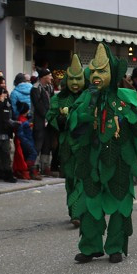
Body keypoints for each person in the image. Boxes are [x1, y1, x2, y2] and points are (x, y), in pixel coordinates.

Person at [67, 43, 137, 264]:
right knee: (89, 205)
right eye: (94, 71)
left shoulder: (126, 97)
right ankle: (90, 247)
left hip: (119, 160)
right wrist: (89, 109)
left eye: (102, 71)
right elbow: (74, 128)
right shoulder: (86, 98)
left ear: (112, 72)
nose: (97, 76)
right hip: (92, 161)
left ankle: (115, 246)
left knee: (119, 204)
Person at [50, 55, 86, 226]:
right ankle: (73, 210)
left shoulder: (88, 97)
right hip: (67, 146)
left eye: (78, 78)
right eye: (71, 78)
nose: (75, 82)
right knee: (70, 179)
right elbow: (50, 116)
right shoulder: (58, 98)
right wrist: (60, 120)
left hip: (85, 144)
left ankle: (77, 212)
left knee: (82, 178)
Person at [31, 67, 53, 179]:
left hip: (48, 121)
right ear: (44, 77)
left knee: (47, 144)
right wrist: (47, 115)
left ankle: (45, 167)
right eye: (49, 75)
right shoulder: (35, 88)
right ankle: (34, 168)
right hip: (39, 121)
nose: (51, 77)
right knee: (38, 144)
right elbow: (38, 105)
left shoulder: (49, 87)